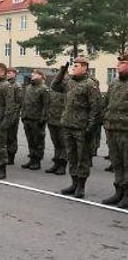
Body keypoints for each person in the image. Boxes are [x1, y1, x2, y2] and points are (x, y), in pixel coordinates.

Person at [52, 57, 101, 198]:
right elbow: (54, 86)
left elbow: (95, 108)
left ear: (85, 68)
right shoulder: (70, 82)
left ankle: (81, 186)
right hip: (68, 125)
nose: (74, 68)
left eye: (77, 66)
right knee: (72, 156)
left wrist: (90, 128)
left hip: (82, 127)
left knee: (82, 158)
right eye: (73, 66)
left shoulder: (90, 84)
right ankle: (73, 183)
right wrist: (62, 71)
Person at [101, 54, 128, 208]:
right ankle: (118, 191)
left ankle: (127, 194)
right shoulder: (115, 84)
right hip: (112, 128)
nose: (118, 66)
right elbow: (106, 104)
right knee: (116, 162)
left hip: (126, 130)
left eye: (123, 63)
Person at [20, 69, 49, 170]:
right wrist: (23, 115)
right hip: (27, 117)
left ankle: (37, 161)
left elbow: (46, 105)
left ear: (41, 76)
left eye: (35, 74)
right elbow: (24, 102)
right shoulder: (28, 87)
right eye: (33, 73)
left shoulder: (43, 88)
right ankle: (32, 159)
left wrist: (43, 118)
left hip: (37, 119)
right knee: (30, 140)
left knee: (38, 141)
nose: (32, 75)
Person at [45, 69, 68, 175]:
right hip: (52, 119)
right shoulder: (54, 86)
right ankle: (56, 163)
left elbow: (59, 81)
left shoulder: (67, 87)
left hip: (63, 121)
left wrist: (63, 73)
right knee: (56, 144)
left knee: (63, 144)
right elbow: (55, 82)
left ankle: (62, 165)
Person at [6, 67, 22, 165]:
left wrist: (14, 116)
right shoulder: (5, 85)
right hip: (4, 114)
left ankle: (11, 156)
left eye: (10, 73)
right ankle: (5, 154)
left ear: (15, 74)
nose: (8, 74)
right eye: (7, 72)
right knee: (5, 136)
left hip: (13, 115)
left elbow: (18, 103)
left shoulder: (17, 86)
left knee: (11, 136)